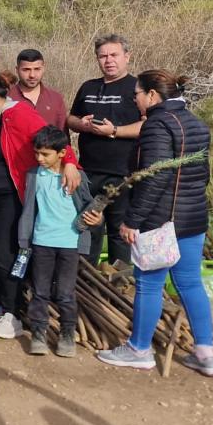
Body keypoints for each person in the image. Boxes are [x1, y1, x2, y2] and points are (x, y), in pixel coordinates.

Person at [93, 70, 213, 377]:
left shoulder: (156, 125)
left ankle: (139, 349)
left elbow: (155, 176)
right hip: (192, 219)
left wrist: (133, 220)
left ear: (152, 95)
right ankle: (206, 354)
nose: (134, 100)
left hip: (159, 221)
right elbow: (203, 175)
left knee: (149, 284)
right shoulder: (196, 123)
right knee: (190, 283)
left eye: (136, 94)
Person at [0, 70, 79, 340]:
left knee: (5, 253)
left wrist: (69, 162)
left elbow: (52, 138)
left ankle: (12, 313)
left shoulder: (19, 114)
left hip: (11, 195)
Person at [66, 34, 143, 266]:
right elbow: (70, 119)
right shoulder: (88, 87)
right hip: (88, 173)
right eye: (103, 56)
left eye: (114, 55)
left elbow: (147, 124)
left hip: (123, 174)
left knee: (120, 233)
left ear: (127, 56)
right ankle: (88, 281)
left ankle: (119, 283)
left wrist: (115, 130)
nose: (108, 60)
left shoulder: (138, 88)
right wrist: (82, 124)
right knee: (88, 230)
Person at [20, 126, 94, 358]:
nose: (39, 158)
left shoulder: (77, 177)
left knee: (65, 293)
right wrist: (25, 238)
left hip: (69, 243)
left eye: (45, 154)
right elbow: (29, 209)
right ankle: (38, 334)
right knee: (40, 291)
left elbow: (90, 207)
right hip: (42, 241)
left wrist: (96, 218)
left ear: (62, 153)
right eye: (37, 153)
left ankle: (67, 335)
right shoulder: (34, 176)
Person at [11, 49, 67, 132]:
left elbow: (63, 134)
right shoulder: (7, 98)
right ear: (17, 70)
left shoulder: (56, 99)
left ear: (43, 68)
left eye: (37, 69)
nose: (32, 75)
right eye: (26, 70)